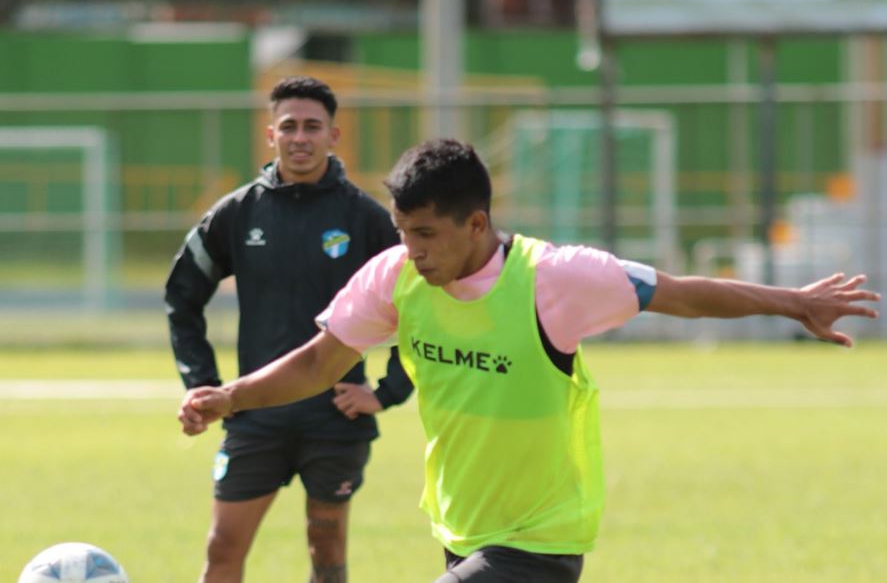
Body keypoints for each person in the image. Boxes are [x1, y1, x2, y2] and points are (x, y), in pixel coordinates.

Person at [177, 138, 880, 583]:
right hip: (460, 527)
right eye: (402, 232)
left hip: (541, 537)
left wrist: (792, 303)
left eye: (426, 234)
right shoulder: (396, 277)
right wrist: (229, 397)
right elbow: (317, 363)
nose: (412, 249)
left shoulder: (558, 279)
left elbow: (682, 294)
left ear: (475, 224)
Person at [164, 76, 413, 583]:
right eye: (289, 126)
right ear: (270, 135)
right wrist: (202, 386)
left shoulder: (365, 218)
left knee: (326, 545)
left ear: (334, 135)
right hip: (255, 413)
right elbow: (181, 298)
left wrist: (387, 392)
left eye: (312, 127)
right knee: (222, 546)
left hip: (334, 420)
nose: (301, 137)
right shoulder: (236, 214)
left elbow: (421, 308)